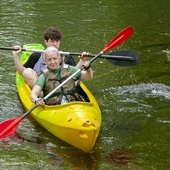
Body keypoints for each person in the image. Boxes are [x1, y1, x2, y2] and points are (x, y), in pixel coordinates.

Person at [12, 27, 88, 89]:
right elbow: (21, 72)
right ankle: (40, 96)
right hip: (41, 89)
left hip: (62, 88)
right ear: (46, 42)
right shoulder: (37, 55)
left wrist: (81, 60)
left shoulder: (66, 56)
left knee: (75, 81)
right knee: (27, 72)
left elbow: (75, 74)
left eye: (57, 41)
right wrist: (16, 56)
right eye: (52, 41)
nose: (55, 44)